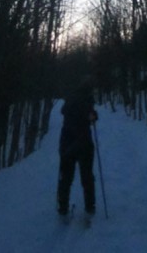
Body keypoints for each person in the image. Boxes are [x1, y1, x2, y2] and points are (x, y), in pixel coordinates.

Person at [57, 77, 98, 218]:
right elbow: (93, 117)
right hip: (84, 144)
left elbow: (64, 111)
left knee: (65, 178)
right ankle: (90, 206)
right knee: (87, 176)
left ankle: (62, 207)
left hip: (66, 144)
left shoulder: (70, 100)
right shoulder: (87, 101)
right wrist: (92, 116)